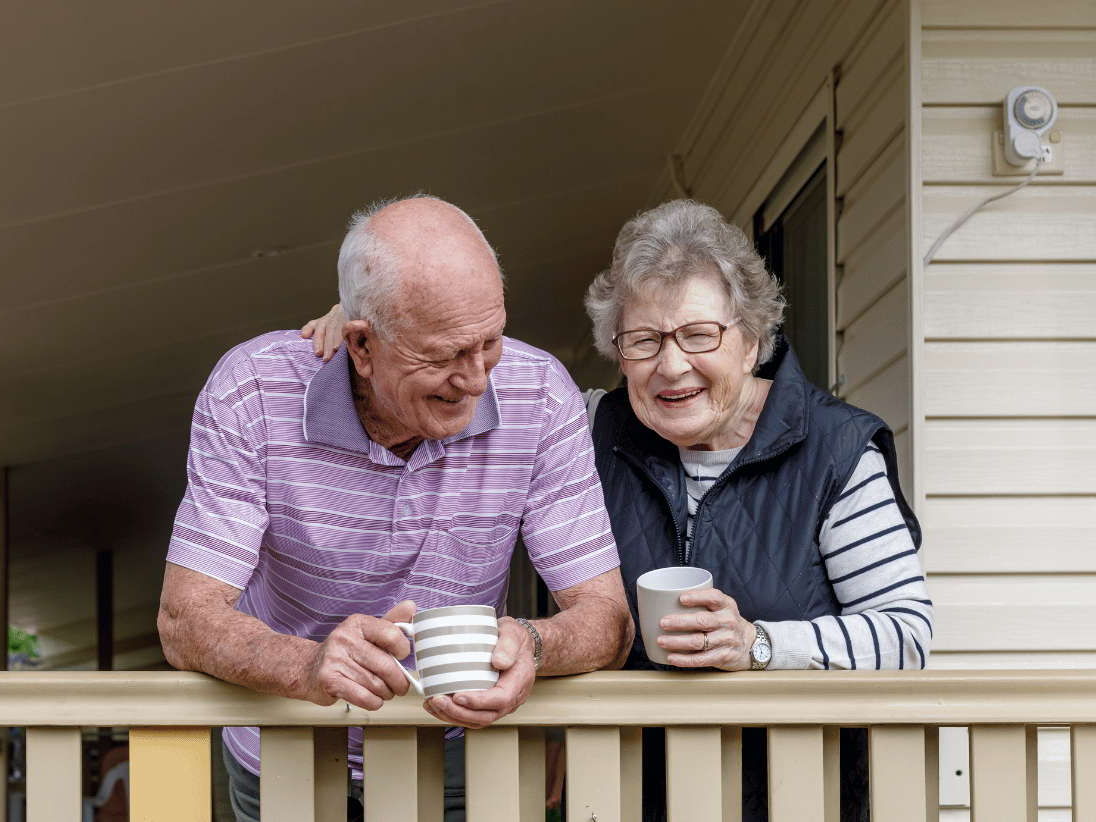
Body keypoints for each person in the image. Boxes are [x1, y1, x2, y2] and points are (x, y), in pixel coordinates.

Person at [303, 199, 932, 821]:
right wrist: (373, 329)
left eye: (699, 334)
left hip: (800, 796)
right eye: (644, 341)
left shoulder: (836, 451)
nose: (672, 365)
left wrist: (759, 644)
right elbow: (453, 359)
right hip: (626, 796)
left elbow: (906, 635)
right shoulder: (587, 427)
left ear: (751, 341)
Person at [159, 195, 634, 822]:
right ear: (360, 345)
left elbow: (609, 620)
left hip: (459, 749)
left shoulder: (540, 395)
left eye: (490, 342)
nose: (478, 379)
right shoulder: (252, 390)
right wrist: (309, 666)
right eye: (443, 356)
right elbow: (184, 619)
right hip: (286, 739)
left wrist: (537, 647)